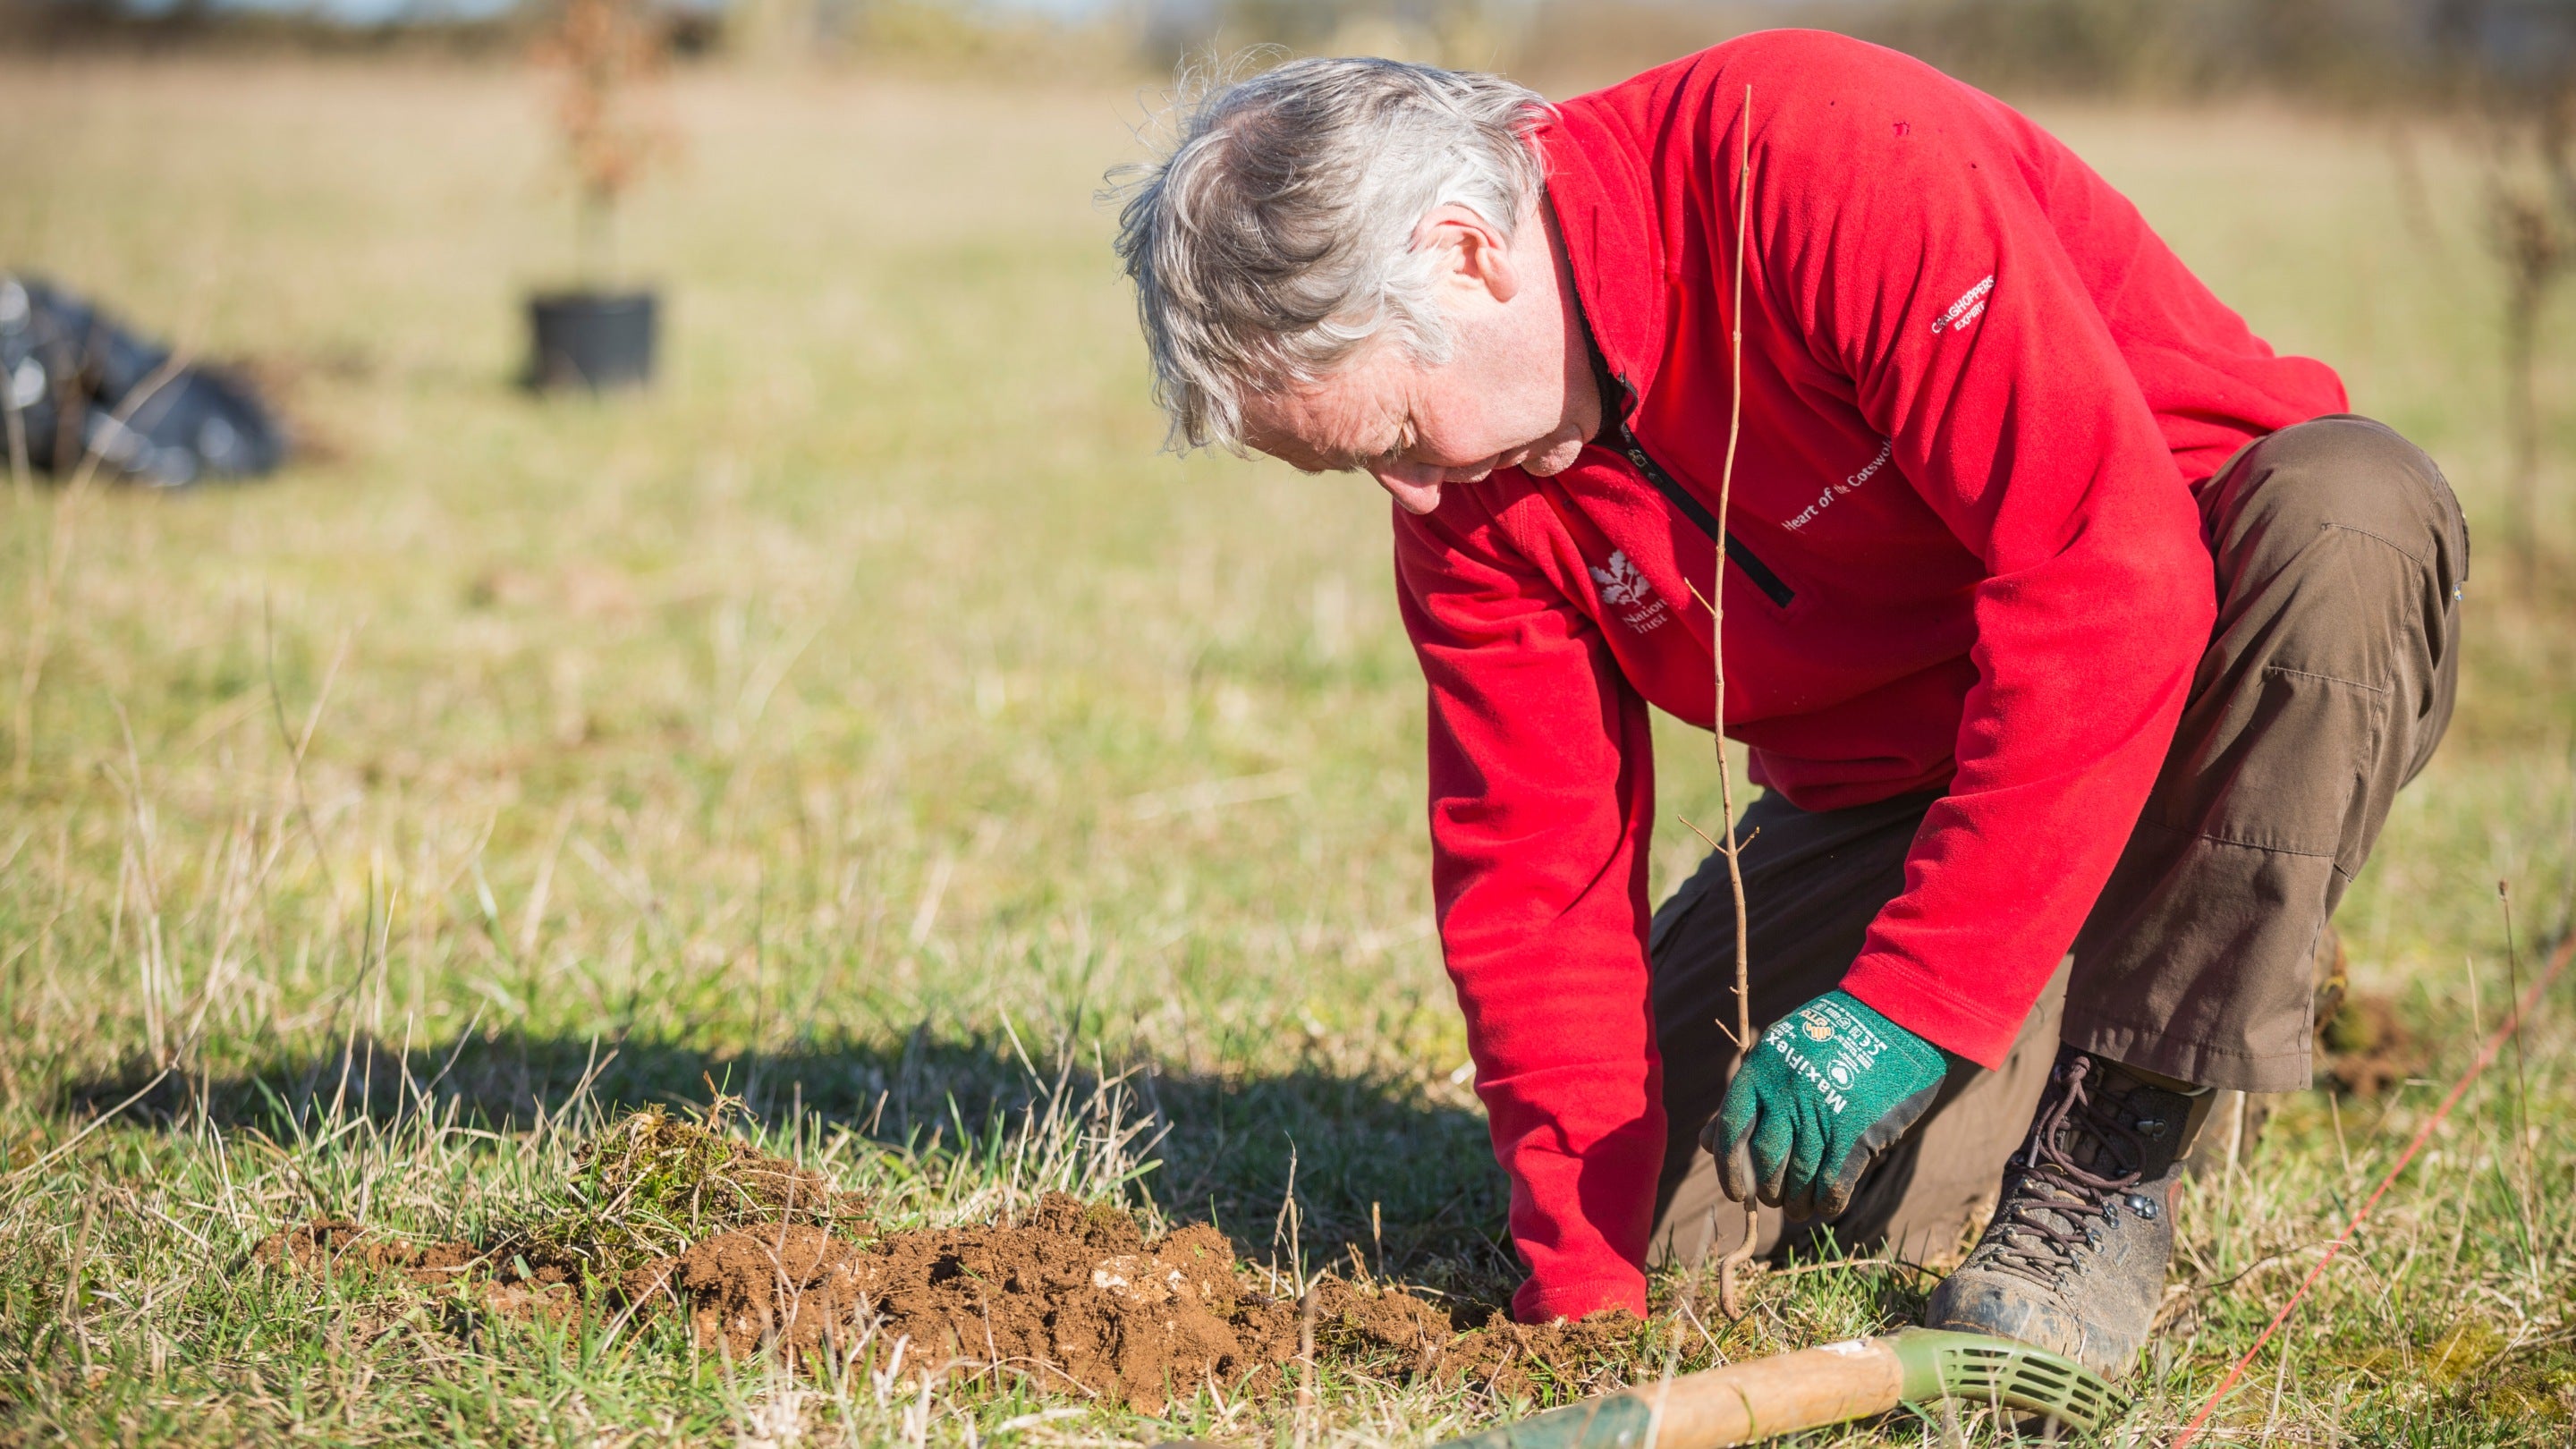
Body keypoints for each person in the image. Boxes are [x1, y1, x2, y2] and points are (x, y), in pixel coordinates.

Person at [1109, 30, 2465, 1377]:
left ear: (1469, 254)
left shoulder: (1815, 156)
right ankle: (2138, 967)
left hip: (2204, 655)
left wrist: (1910, 1008)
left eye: (1397, 437)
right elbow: (1535, 883)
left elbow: (2113, 582)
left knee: (2351, 514)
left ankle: (2124, 1129)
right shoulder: (1471, 505)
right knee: (1671, 1210)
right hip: (1896, 783)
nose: (1408, 496)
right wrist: (1580, 1296)